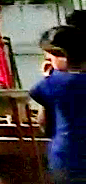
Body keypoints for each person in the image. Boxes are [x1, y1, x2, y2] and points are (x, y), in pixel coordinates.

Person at [33, 25, 86, 183]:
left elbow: (44, 125)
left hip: (67, 160)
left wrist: (47, 77)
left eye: (49, 59)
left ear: (60, 55)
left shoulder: (54, 83)